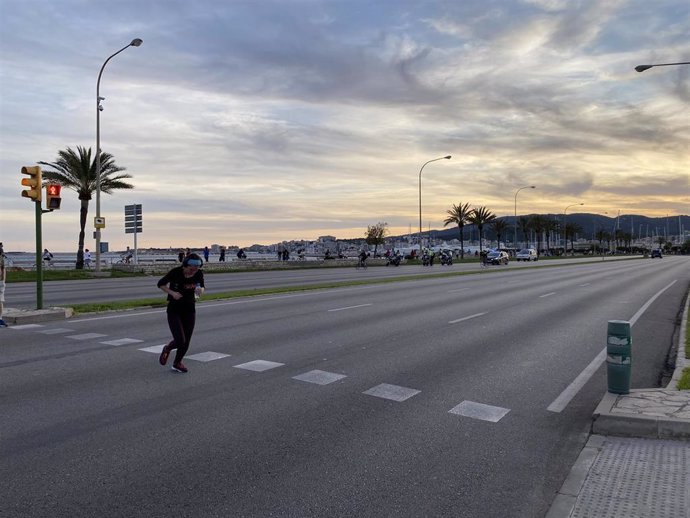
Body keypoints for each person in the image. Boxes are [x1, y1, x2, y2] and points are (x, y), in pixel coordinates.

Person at [157, 253, 205, 373]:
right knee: (180, 340)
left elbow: (202, 287)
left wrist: (200, 290)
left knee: (187, 340)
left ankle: (177, 363)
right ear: (185, 265)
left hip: (189, 309)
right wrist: (172, 293)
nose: (193, 272)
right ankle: (167, 348)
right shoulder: (175, 272)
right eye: (191, 269)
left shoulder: (198, 273)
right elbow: (161, 284)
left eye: (196, 269)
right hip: (174, 309)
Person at [0, 243, 7, 327]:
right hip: (1, 281)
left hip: (1, 281)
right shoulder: (1, 258)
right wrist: (3, 281)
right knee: (0, 301)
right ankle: (0, 319)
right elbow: (2, 271)